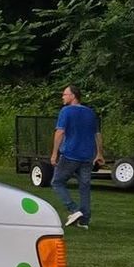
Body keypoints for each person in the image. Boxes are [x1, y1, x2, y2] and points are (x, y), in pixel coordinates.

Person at [50, 84, 104, 228]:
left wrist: (54, 153)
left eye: (65, 94)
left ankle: (73, 210)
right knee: (84, 187)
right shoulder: (90, 112)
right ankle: (84, 220)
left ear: (73, 96)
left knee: (57, 182)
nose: (63, 97)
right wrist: (99, 153)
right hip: (87, 156)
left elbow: (60, 132)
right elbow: (97, 134)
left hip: (70, 154)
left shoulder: (66, 111)